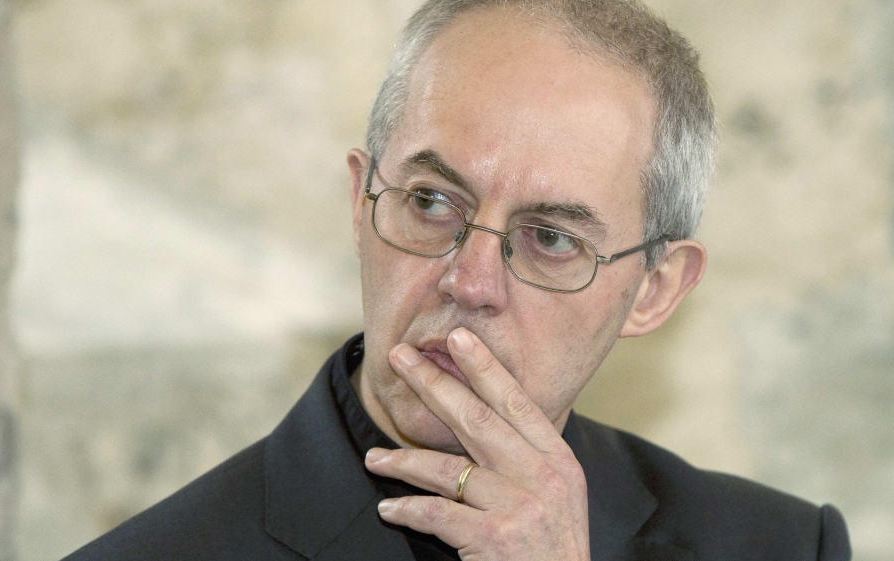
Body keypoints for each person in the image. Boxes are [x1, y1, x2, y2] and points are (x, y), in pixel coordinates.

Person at [64, 0, 852, 559]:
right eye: (433, 201)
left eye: (549, 237)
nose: (469, 280)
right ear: (359, 198)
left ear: (655, 289)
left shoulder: (781, 545)